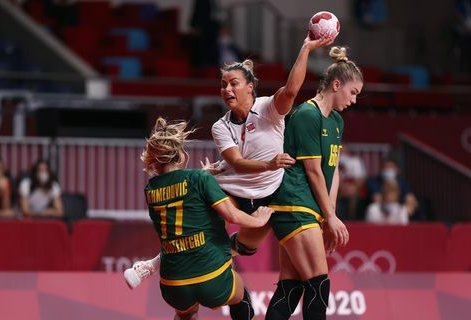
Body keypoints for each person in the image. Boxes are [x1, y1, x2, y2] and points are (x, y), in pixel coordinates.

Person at [124, 33, 335, 286]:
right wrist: (266, 164)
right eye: (223, 85)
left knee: (246, 247)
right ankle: (151, 265)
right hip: (237, 188)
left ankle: (215, 257)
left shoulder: (269, 108)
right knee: (196, 218)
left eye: (233, 83)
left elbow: (291, 89)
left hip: (272, 191)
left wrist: (306, 48)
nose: (227, 89)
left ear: (250, 88)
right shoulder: (220, 126)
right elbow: (237, 163)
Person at [125, 117, 273, 320]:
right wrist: (259, 220)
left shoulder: (150, 190)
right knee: (241, 297)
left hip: (173, 284)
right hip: (211, 276)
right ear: (181, 153)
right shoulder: (199, 179)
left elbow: (180, 200)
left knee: (185, 314)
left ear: (153, 159)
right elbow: (231, 214)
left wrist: (201, 176)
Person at [265, 46, 361, 320]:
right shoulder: (308, 115)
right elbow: (314, 171)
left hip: (308, 210)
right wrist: (329, 217)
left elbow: (333, 172)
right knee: (319, 285)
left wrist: (328, 216)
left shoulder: (337, 121)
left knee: (290, 289)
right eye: (352, 92)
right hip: (293, 206)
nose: (354, 100)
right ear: (336, 84)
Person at [337, 142, 367, 220]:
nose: (342, 153)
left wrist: (353, 188)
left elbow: (361, 179)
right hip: (338, 189)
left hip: (354, 189)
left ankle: (352, 219)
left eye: (343, 151)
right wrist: (342, 187)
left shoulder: (355, 161)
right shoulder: (334, 162)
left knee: (353, 195)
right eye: (340, 151)